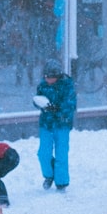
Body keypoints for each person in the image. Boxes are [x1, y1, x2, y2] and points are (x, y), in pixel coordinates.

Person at [36, 58, 76, 191]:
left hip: (62, 125)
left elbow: (70, 105)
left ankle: (61, 182)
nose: (47, 79)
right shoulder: (43, 85)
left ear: (57, 76)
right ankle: (49, 175)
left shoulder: (67, 86)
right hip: (46, 124)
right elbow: (38, 99)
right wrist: (41, 104)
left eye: (50, 77)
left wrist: (56, 110)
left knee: (61, 154)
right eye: (46, 77)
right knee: (43, 153)